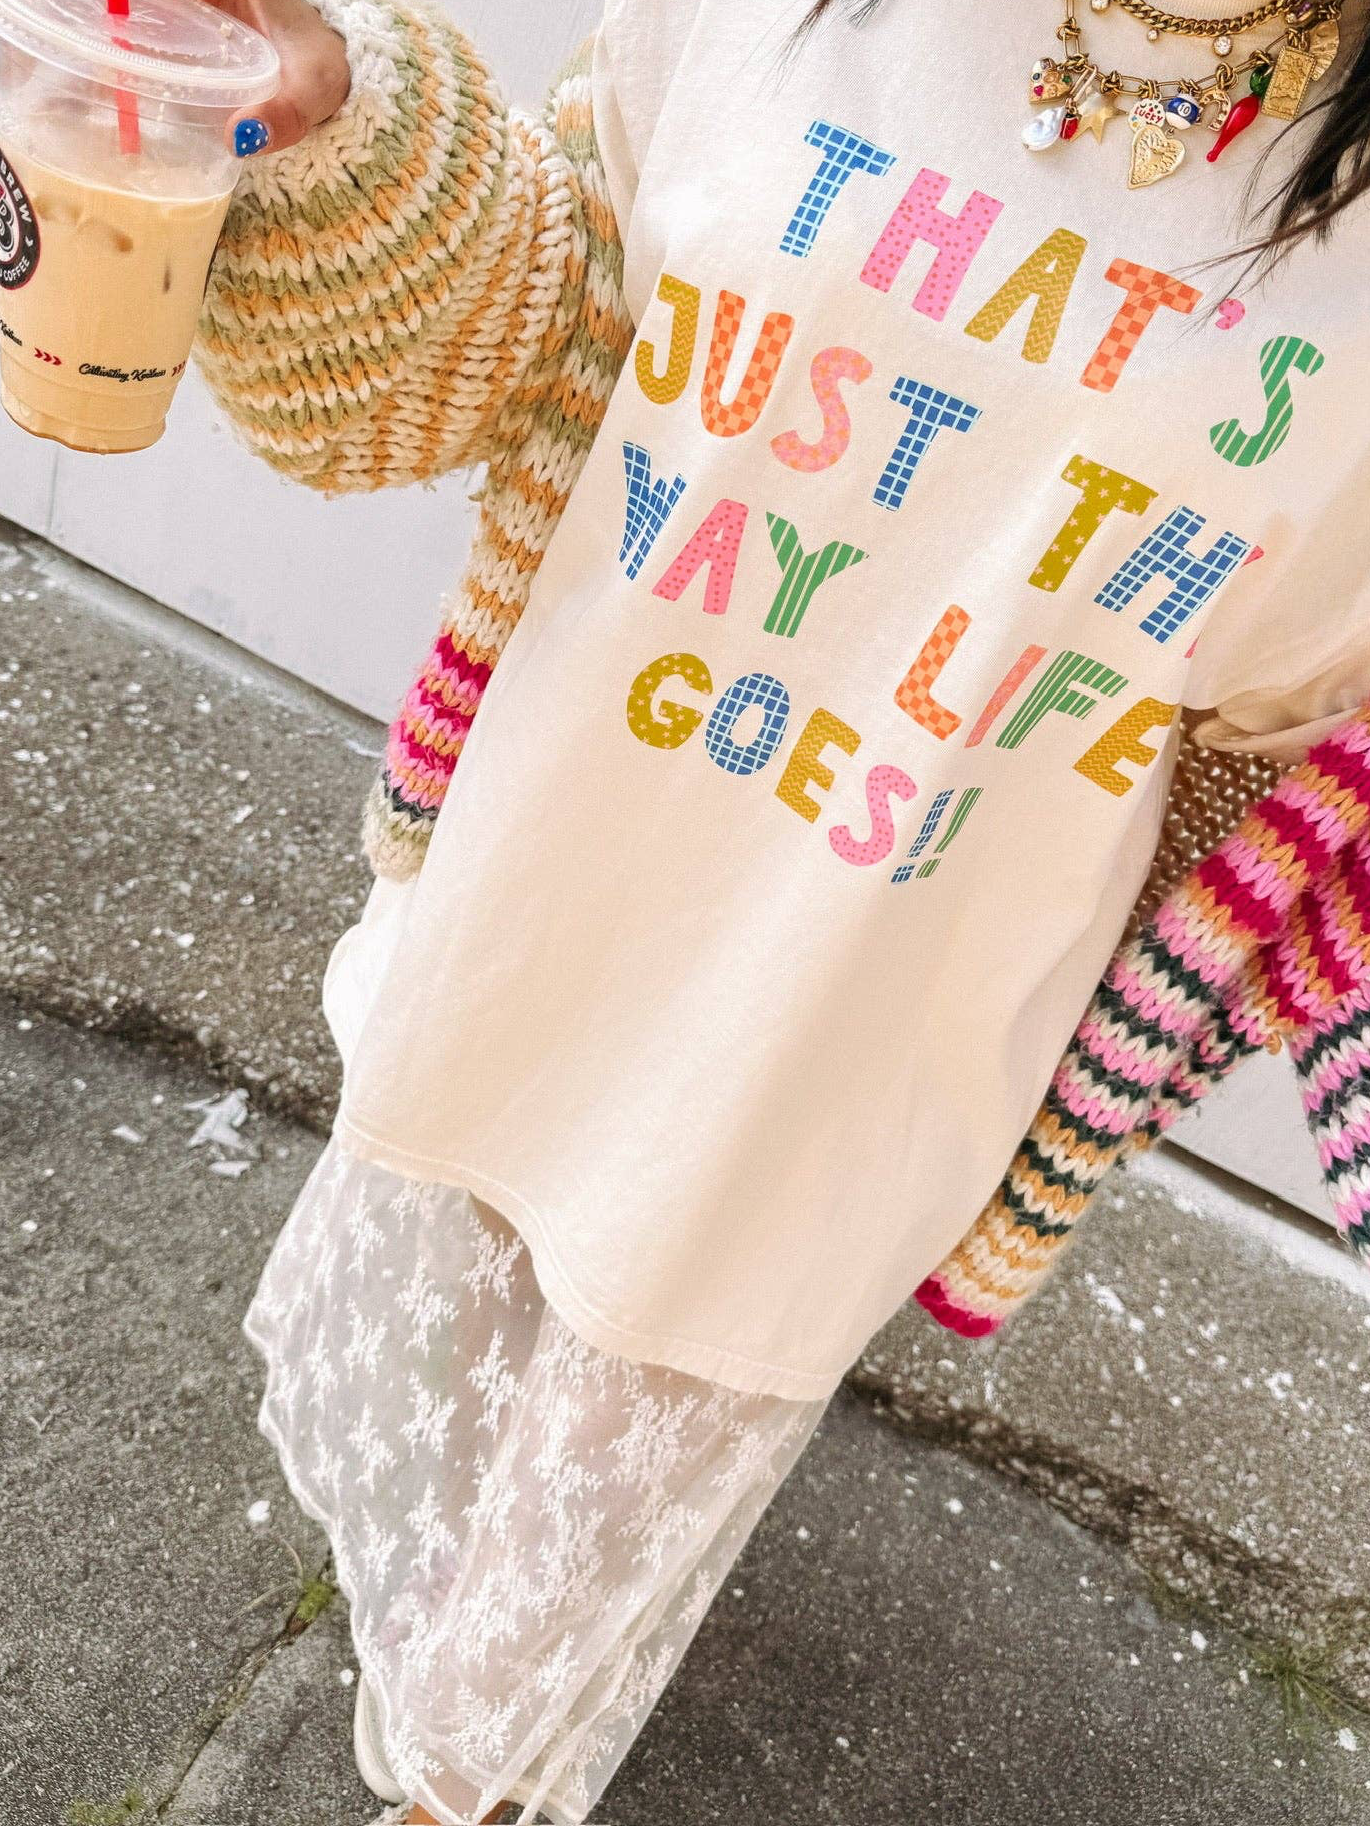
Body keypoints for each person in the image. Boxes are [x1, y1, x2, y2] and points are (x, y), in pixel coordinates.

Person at [194, 0, 1370, 1818]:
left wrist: (1110, 1084)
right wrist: (345, 134)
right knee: (467, 1332)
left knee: (598, 1479)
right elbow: (546, 318)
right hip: (559, 858)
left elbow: (1291, 749)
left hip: (854, 1015)